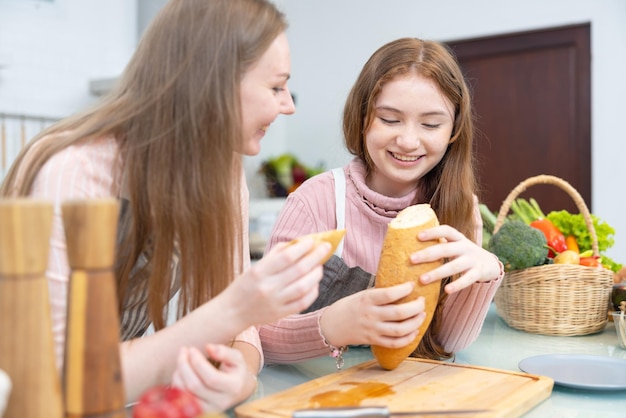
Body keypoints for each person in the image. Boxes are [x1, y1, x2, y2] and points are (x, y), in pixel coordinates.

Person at [0, 0, 331, 412]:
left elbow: (241, 331)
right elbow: (54, 379)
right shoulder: (73, 172)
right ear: (215, 84)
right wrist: (234, 308)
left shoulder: (221, 168)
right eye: (277, 86)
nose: (288, 105)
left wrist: (239, 377)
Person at [261, 37, 504, 365]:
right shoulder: (315, 201)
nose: (407, 140)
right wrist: (334, 325)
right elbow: (259, 333)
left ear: (454, 130)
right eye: (390, 119)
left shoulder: (460, 206)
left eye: (431, 124)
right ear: (362, 117)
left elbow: (447, 342)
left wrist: (486, 273)